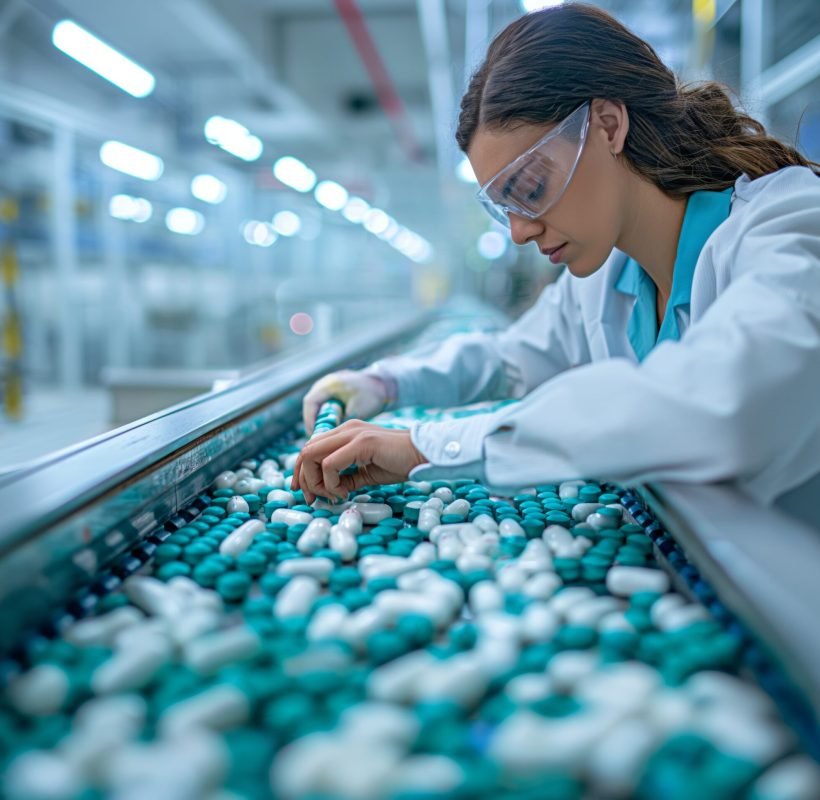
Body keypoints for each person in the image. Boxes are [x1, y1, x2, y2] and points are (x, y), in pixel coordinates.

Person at [292, 3, 820, 508]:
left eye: (530, 187)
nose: (520, 233)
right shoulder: (607, 277)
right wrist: (384, 382)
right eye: (505, 207)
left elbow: (720, 404)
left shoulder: (785, 225)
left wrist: (427, 446)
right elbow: (510, 362)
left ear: (610, 126)